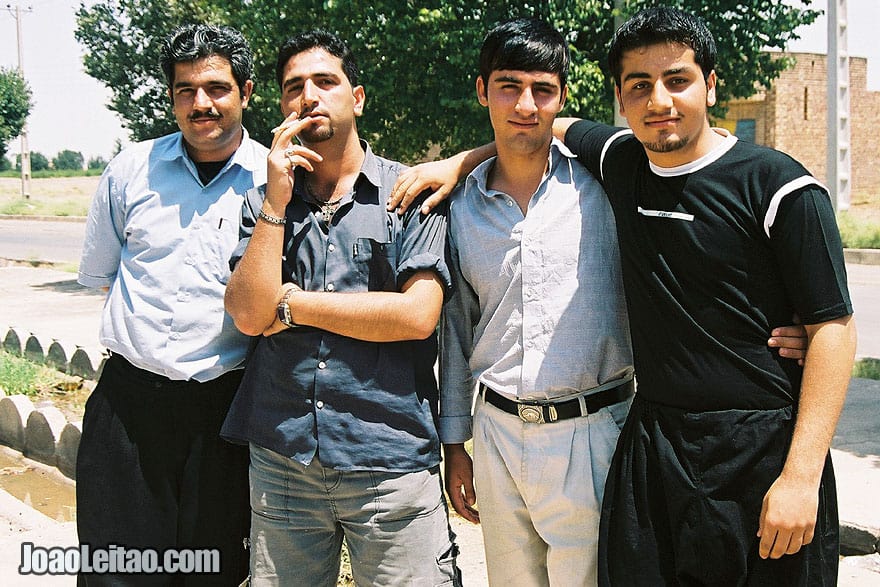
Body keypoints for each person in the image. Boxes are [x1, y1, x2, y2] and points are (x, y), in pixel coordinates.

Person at [392, 7, 855, 586]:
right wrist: (460, 162)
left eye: (678, 80)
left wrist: (801, 476)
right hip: (653, 447)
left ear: (711, 84)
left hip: (759, 447)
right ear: (621, 97)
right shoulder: (623, 162)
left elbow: (834, 328)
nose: (659, 100)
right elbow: (541, 125)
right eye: (640, 86)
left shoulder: (779, 186)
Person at [219, 30, 461, 586]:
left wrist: (295, 305)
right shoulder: (265, 202)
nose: (308, 96)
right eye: (293, 87)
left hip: (389, 459)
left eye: (325, 82)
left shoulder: (411, 191)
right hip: (284, 463)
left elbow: (416, 315)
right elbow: (250, 314)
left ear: (357, 97)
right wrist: (277, 199)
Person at [431, 17, 634, 586]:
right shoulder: (459, 207)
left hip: (595, 431)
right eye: (508, 86)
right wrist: (456, 444)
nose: (526, 104)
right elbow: (457, 331)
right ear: (482, 91)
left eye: (542, 90)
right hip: (495, 433)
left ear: (561, 98)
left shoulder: (603, 187)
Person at [76, 24, 267, 585]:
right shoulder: (130, 171)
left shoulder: (276, 179)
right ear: (171, 98)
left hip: (225, 417)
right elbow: (103, 276)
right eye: (185, 90)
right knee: (116, 573)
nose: (200, 104)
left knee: (212, 571)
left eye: (216, 88)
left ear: (246, 92)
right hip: (128, 412)